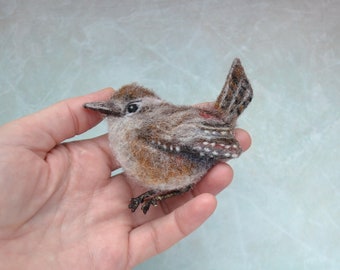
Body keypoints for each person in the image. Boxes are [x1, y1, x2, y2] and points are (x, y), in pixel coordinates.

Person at [0, 87, 251, 269]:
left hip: (196, 156)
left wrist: (221, 141)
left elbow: (202, 141)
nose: (115, 114)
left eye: (131, 109)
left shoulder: (152, 128)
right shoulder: (129, 138)